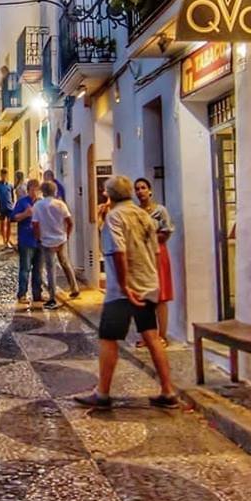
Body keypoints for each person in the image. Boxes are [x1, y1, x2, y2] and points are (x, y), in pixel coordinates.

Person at [78, 175, 178, 410]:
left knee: (108, 337)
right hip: (147, 283)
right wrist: (151, 280)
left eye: (105, 192)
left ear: (110, 194)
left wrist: (124, 286)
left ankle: (102, 393)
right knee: (152, 336)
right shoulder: (143, 215)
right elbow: (155, 250)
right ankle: (168, 390)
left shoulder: (116, 217)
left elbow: (118, 252)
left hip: (123, 292)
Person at [135, 177, 175, 346]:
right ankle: (147, 335)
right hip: (141, 256)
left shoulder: (160, 210)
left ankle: (162, 335)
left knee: (160, 297)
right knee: (144, 297)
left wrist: (149, 237)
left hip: (158, 254)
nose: (140, 191)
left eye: (143, 187)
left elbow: (166, 232)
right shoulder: (135, 212)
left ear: (150, 190)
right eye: (137, 188)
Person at [32, 180, 80, 309]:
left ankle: (52, 298)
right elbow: (69, 222)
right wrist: (66, 235)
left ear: (43, 191)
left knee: (50, 268)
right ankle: (74, 287)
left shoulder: (38, 206)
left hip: (46, 240)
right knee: (65, 262)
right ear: (55, 191)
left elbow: (35, 224)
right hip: (61, 239)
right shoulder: (61, 204)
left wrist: (38, 238)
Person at [11, 178, 43, 306]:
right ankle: (22, 294)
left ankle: (37, 294)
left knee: (39, 269)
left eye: (37, 190)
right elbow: (13, 218)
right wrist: (26, 214)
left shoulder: (41, 203)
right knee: (25, 269)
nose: (35, 192)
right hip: (26, 240)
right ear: (29, 190)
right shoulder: (22, 202)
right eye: (33, 189)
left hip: (39, 240)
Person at [0, 168, 15, 249]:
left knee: (9, 223)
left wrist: (13, 205)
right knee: (2, 224)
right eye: (2, 174)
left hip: (9, 207)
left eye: (5, 174)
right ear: (1, 175)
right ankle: (4, 239)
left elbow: (12, 197)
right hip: (1, 207)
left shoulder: (10, 185)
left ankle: (8, 240)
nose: (4, 176)